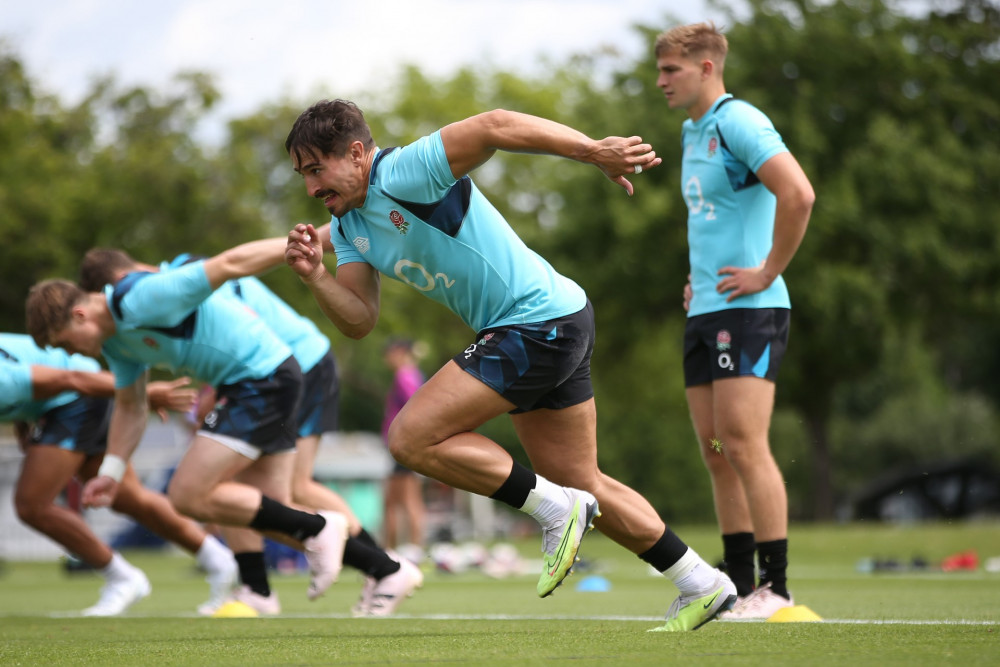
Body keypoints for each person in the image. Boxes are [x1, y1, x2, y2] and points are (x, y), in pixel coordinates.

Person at [283, 99, 736, 631]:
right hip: (556, 319)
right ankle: (702, 583)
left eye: (318, 170)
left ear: (357, 153)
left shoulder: (401, 172)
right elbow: (359, 319)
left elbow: (495, 125)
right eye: (303, 176)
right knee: (580, 480)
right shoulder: (349, 228)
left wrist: (591, 150)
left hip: (535, 322)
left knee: (411, 437)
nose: (312, 188)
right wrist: (317, 277)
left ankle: (553, 509)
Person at [78, 248, 421, 617]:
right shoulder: (171, 276)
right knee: (243, 491)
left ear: (107, 288)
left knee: (296, 489)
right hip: (263, 373)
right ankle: (262, 586)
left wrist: (213, 395)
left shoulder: (167, 284)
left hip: (298, 363)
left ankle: (383, 567)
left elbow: (240, 328)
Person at [25, 236, 351, 611]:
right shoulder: (116, 341)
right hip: (248, 382)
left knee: (190, 493)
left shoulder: (140, 297)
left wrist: (309, 243)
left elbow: (229, 262)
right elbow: (131, 406)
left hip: (266, 377)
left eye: (66, 344)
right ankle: (380, 565)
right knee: (259, 501)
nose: (71, 354)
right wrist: (112, 470)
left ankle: (316, 532)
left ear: (80, 315)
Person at [654, 23, 815, 619]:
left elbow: (798, 194)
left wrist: (767, 269)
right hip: (708, 312)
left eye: (671, 69)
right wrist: (701, 277)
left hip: (750, 311)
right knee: (717, 449)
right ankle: (737, 586)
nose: (661, 81)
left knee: (745, 444)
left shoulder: (737, 121)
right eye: (661, 69)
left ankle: (776, 588)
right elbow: (718, 219)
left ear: (706, 67)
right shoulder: (693, 132)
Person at [0, 332, 238, 616]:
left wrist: (142, 394)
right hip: (77, 395)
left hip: (81, 393)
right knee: (125, 496)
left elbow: (71, 379)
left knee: (32, 505)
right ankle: (217, 557)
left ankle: (123, 578)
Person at [380, 338, 427, 554]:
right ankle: (398, 548)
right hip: (406, 444)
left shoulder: (404, 376)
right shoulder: (412, 374)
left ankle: (406, 549)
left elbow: (415, 406)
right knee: (398, 500)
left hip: (406, 444)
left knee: (403, 500)